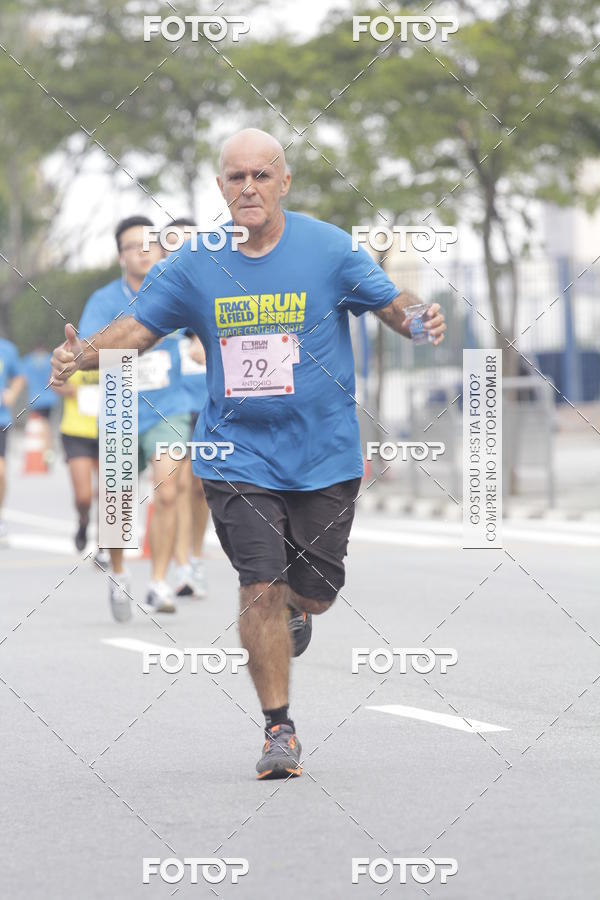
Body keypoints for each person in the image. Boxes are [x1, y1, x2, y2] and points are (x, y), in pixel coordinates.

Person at [50, 128, 446, 779]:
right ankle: (278, 729)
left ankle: (298, 607)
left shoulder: (327, 248)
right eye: (237, 178)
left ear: (284, 182)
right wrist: (81, 353)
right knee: (259, 585)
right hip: (235, 455)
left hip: (324, 454)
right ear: (220, 188)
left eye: (262, 175)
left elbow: (390, 302)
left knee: (310, 594)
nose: (249, 188)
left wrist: (416, 318)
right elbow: (139, 328)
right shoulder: (198, 262)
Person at [76, 215, 190, 618]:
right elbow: (87, 351)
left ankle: (159, 581)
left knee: (169, 487)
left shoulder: (179, 290)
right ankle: (120, 572)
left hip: (168, 408)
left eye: (150, 243)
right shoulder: (105, 300)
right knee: (118, 504)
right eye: (132, 245)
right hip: (120, 410)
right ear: (120, 256)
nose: (143, 251)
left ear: (162, 250)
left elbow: (201, 336)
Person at [162, 218, 210, 599]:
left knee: (199, 489)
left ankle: (195, 556)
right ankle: (180, 568)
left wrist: (207, 350)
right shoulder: (157, 296)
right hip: (170, 408)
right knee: (174, 486)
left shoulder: (216, 291)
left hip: (210, 406)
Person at [53, 368, 103, 555]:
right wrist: (68, 390)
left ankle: (103, 547)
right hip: (76, 432)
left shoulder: (119, 343)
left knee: (108, 493)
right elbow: (54, 381)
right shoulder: (73, 346)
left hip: (111, 429)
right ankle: (83, 520)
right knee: (84, 497)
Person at [0, 338, 26, 540]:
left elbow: (18, 377)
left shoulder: (7, 349)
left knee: (0, 472)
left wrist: (11, 393)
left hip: (0, 420)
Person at [22, 346, 58, 464]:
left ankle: (46, 452)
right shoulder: (50, 359)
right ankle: (47, 450)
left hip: (36, 398)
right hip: (49, 397)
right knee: (46, 424)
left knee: (42, 424)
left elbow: (23, 378)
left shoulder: (28, 360)